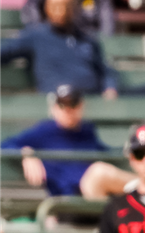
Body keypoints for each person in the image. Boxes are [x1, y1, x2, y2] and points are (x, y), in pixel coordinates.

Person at [0, 84, 133, 199]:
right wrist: (26, 152)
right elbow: (5, 145)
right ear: (54, 108)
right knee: (98, 173)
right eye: (62, 105)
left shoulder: (86, 131)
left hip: (95, 196)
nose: (67, 110)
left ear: (81, 106)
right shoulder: (44, 131)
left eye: (73, 104)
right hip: (66, 201)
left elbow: (103, 153)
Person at [0, 0, 119, 95]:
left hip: (91, 102)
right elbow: (6, 51)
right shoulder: (36, 36)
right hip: (58, 105)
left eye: (66, 5)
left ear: (74, 8)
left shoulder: (87, 39)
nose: (61, 10)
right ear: (47, 8)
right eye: (55, 5)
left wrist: (110, 87)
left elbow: (104, 71)